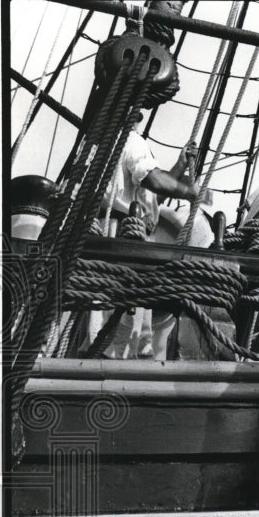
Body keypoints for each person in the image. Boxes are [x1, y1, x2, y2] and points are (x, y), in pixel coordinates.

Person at [90, 119, 198, 358]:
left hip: (114, 235)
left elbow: (149, 200)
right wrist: (191, 192)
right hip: (125, 240)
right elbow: (154, 181)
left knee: (127, 325)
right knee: (121, 328)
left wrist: (179, 166)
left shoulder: (100, 142)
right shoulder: (131, 141)